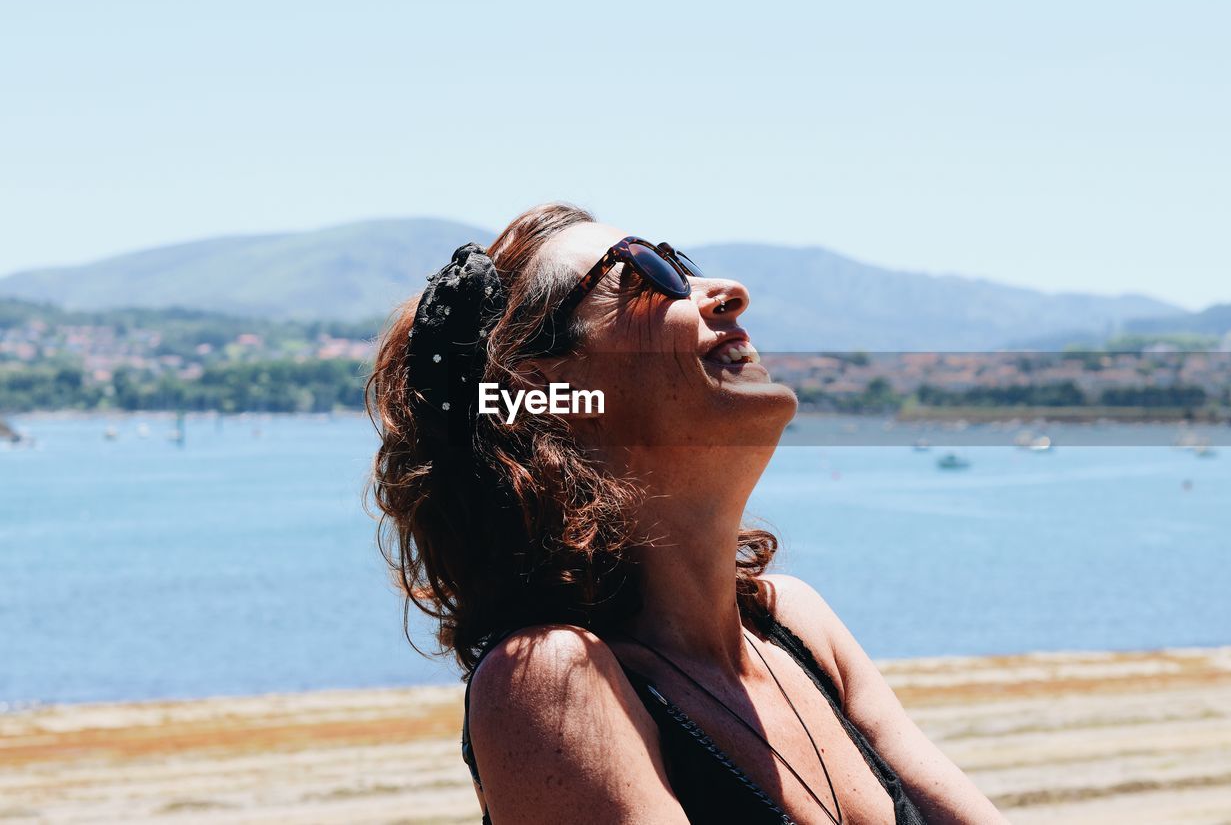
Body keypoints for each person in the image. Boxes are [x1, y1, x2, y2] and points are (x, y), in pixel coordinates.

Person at [365, 202, 1006, 824]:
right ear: (547, 390)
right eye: (649, 272)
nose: (730, 291)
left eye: (684, 262)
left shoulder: (797, 625)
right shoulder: (548, 679)